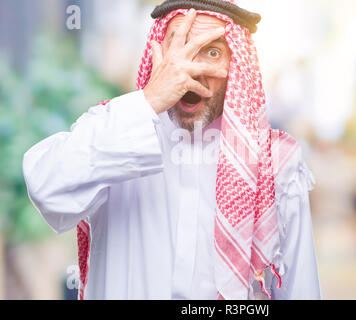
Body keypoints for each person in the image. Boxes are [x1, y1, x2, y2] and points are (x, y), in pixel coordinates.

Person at [22, 0, 321, 300]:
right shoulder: (115, 132)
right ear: (158, 56)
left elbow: (299, 289)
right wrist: (149, 100)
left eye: (213, 52)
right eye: (179, 49)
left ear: (236, 65)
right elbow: (45, 187)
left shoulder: (276, 161)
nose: (191, 70)